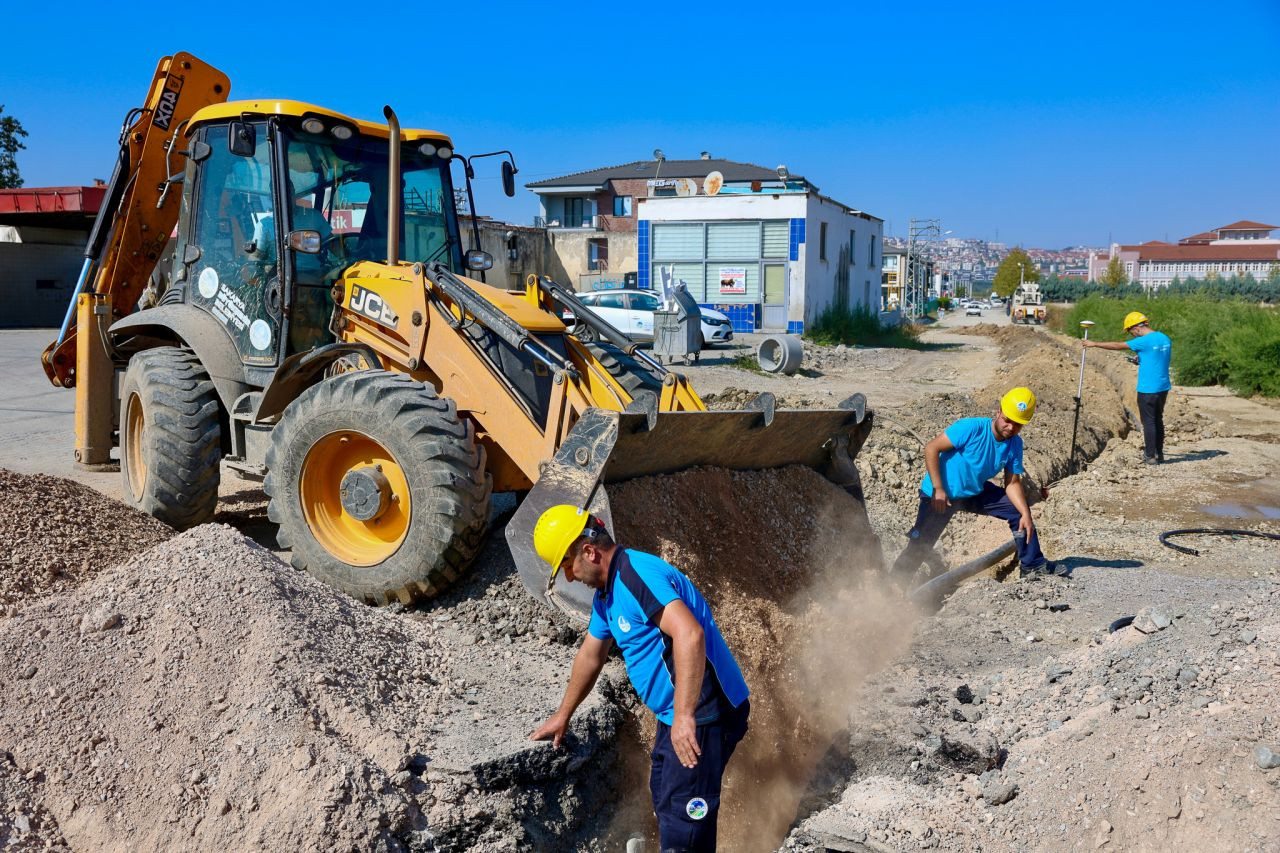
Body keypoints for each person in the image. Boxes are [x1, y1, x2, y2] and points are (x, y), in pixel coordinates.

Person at [529, 506, 750, 852]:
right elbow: (592, 654)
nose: (570, 577)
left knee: (684, 824)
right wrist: (563, 715)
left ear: (589, 551)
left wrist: (685, 717)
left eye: (568, 565)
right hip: (675, 714)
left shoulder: (636, 575)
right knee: (665, 797)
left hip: (705, 713)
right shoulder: (608, 594)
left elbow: (690, 635)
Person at [890, 387, 1058, 581]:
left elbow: (1012, 483)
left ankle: (1032, 565)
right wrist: (938, 488)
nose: (1011, 427)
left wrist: (1026, 514)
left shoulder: (1014, 444)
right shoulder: (971, 428)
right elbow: (931, 448)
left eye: (1018, 424)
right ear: (999, 412)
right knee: (920, 545)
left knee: (1018, 512)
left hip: (973, 492)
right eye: (1008, 420)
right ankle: (893, 587)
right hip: (941, 494)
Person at [1083, 311, 1172, 464]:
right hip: (1163, 387)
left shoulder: (1143, 341)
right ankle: (1159, 453)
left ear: (1136, 327)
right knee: (1158, 419)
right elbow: (1157, 357)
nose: (1132, 336)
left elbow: (1118, 345)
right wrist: (1141, 359)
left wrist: (1094, 344)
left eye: (1131, 332)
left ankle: (1150, 456)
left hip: (1148, 389)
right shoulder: (1164, 338)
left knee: (1149, 422)